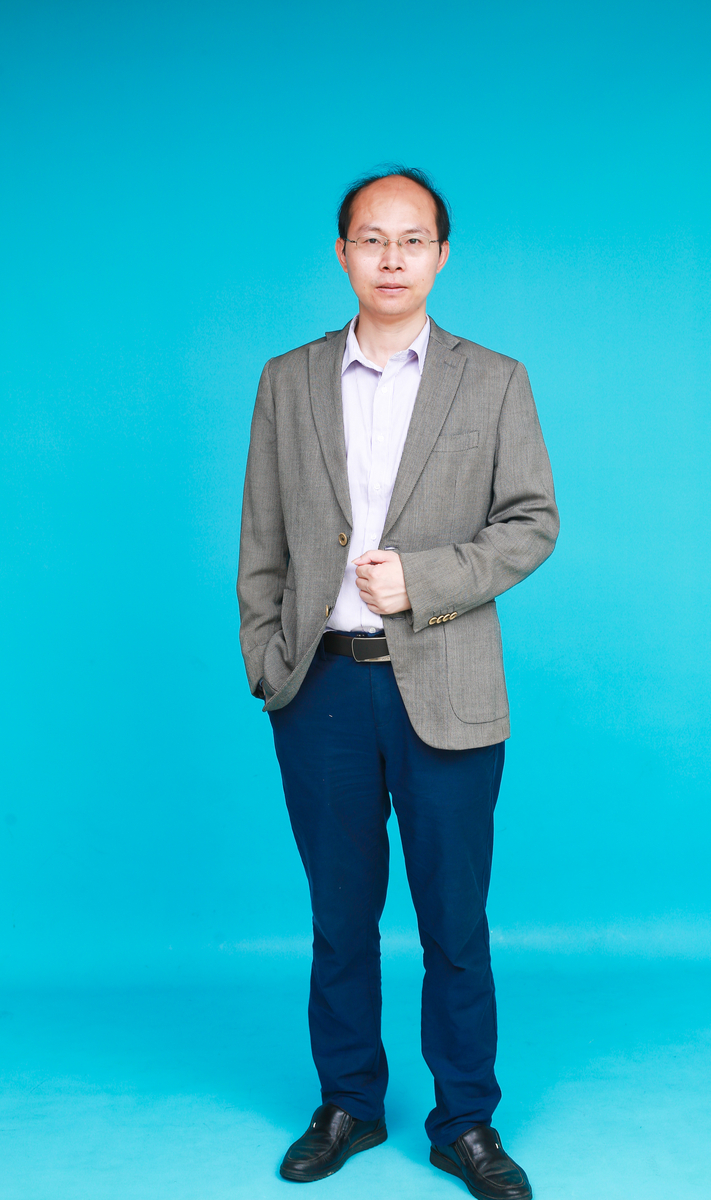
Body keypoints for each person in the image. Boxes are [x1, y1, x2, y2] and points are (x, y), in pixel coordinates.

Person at [237, 165, 559, 1199]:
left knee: (453, 923)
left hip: (447, 682)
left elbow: (531, 522)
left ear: (440, 256)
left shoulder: (492, 379)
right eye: (371, 239)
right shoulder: (287, 380)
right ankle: (349, 1103)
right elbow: (262, 540)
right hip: (321, 690)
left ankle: (465, 1121)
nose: (391, 258)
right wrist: (269, 662)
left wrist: (422, 580)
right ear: (342, 254)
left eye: (411, 240)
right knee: (340, 918)